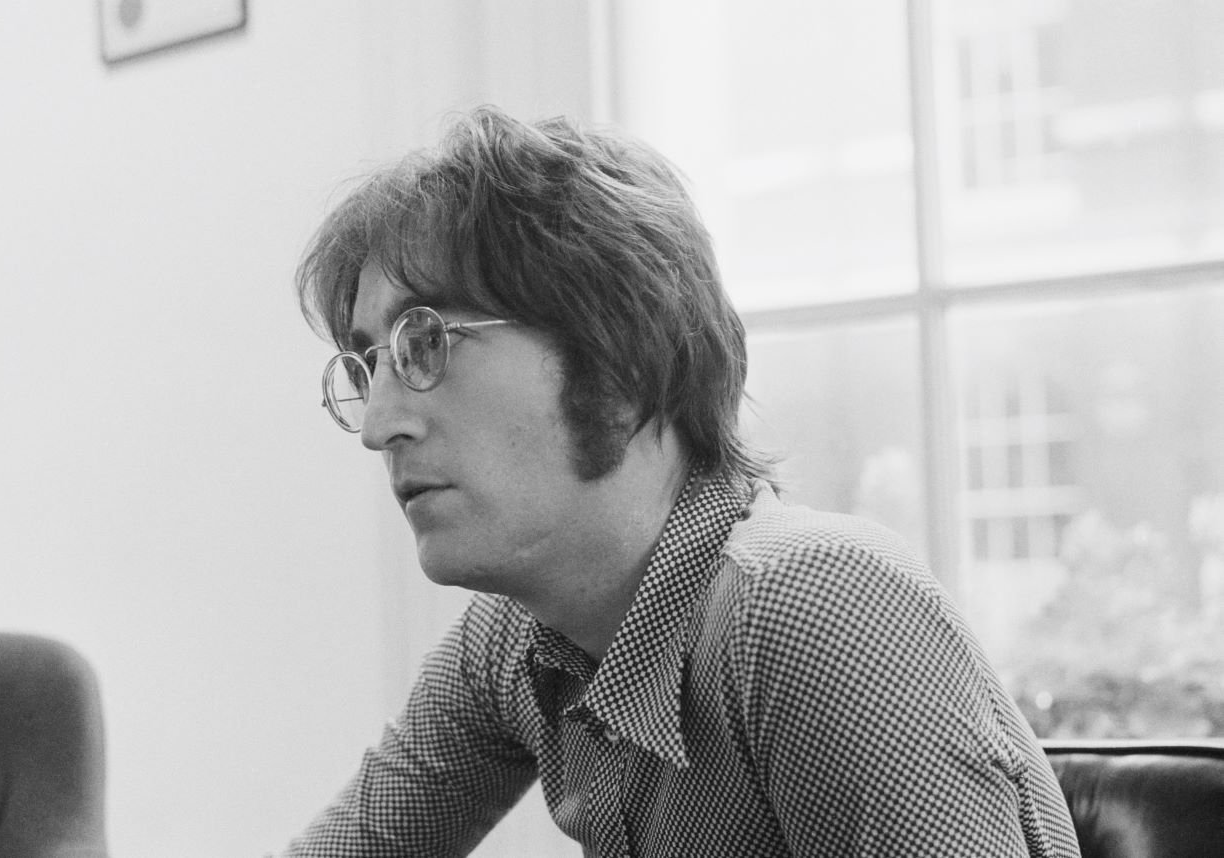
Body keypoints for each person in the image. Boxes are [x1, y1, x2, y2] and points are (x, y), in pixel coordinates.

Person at [284, 106, 1081, 857]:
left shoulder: (817, 607)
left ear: (621, 364)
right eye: (368, 363)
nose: (376, 423)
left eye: (426, 343)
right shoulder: (516, 642)